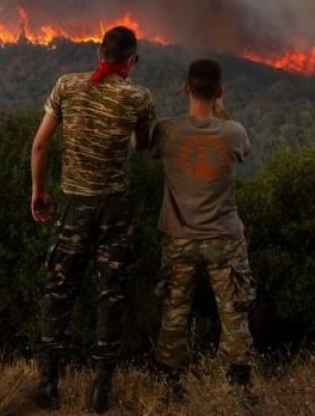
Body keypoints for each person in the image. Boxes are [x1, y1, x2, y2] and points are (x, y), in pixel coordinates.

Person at [29, 26, 154, 413]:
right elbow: (143, 145)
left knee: (59, 291)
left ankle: (49, 385)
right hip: (114, 208)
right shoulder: (139, 97)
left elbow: (39, 143)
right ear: (130, 60)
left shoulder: (66, 86)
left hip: (73, 205)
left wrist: (37, 191)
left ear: (99, 54)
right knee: (110, 295)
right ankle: (101, 390)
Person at [150, 58, 258, 405]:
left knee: (174, 309)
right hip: (223, 239)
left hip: (179, 238)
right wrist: (222, 112)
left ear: (185, 89)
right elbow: (242, 149)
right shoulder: (233, 132)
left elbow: (146, 148)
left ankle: (171, 386)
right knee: (233, 311)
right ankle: (238, 389)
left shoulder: (166, 131)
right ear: (220, 91)